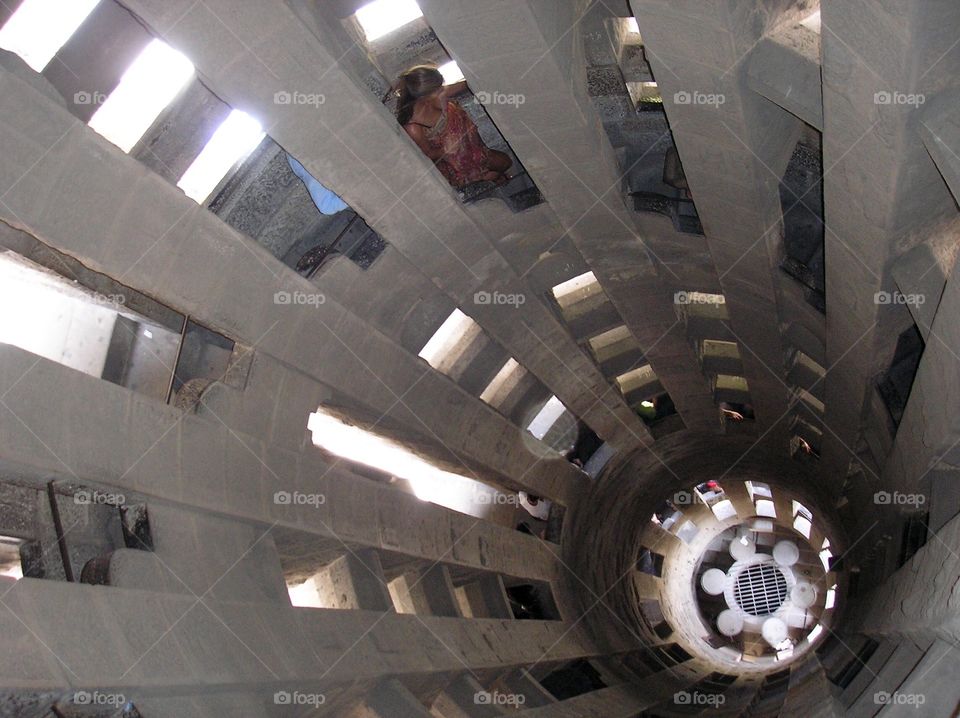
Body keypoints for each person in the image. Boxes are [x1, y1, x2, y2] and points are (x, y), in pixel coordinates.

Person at [395, 65, 512, 189]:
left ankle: (492, 178)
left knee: (505, 162)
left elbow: (467, 84)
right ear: (424, 99)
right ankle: (486, 182)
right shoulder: (414, 126)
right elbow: (426, 155)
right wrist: (444, 150)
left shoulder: (436, 96)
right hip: (456, 164)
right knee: (493, 174)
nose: (444, 91)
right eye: (439, 90)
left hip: (473, 148)